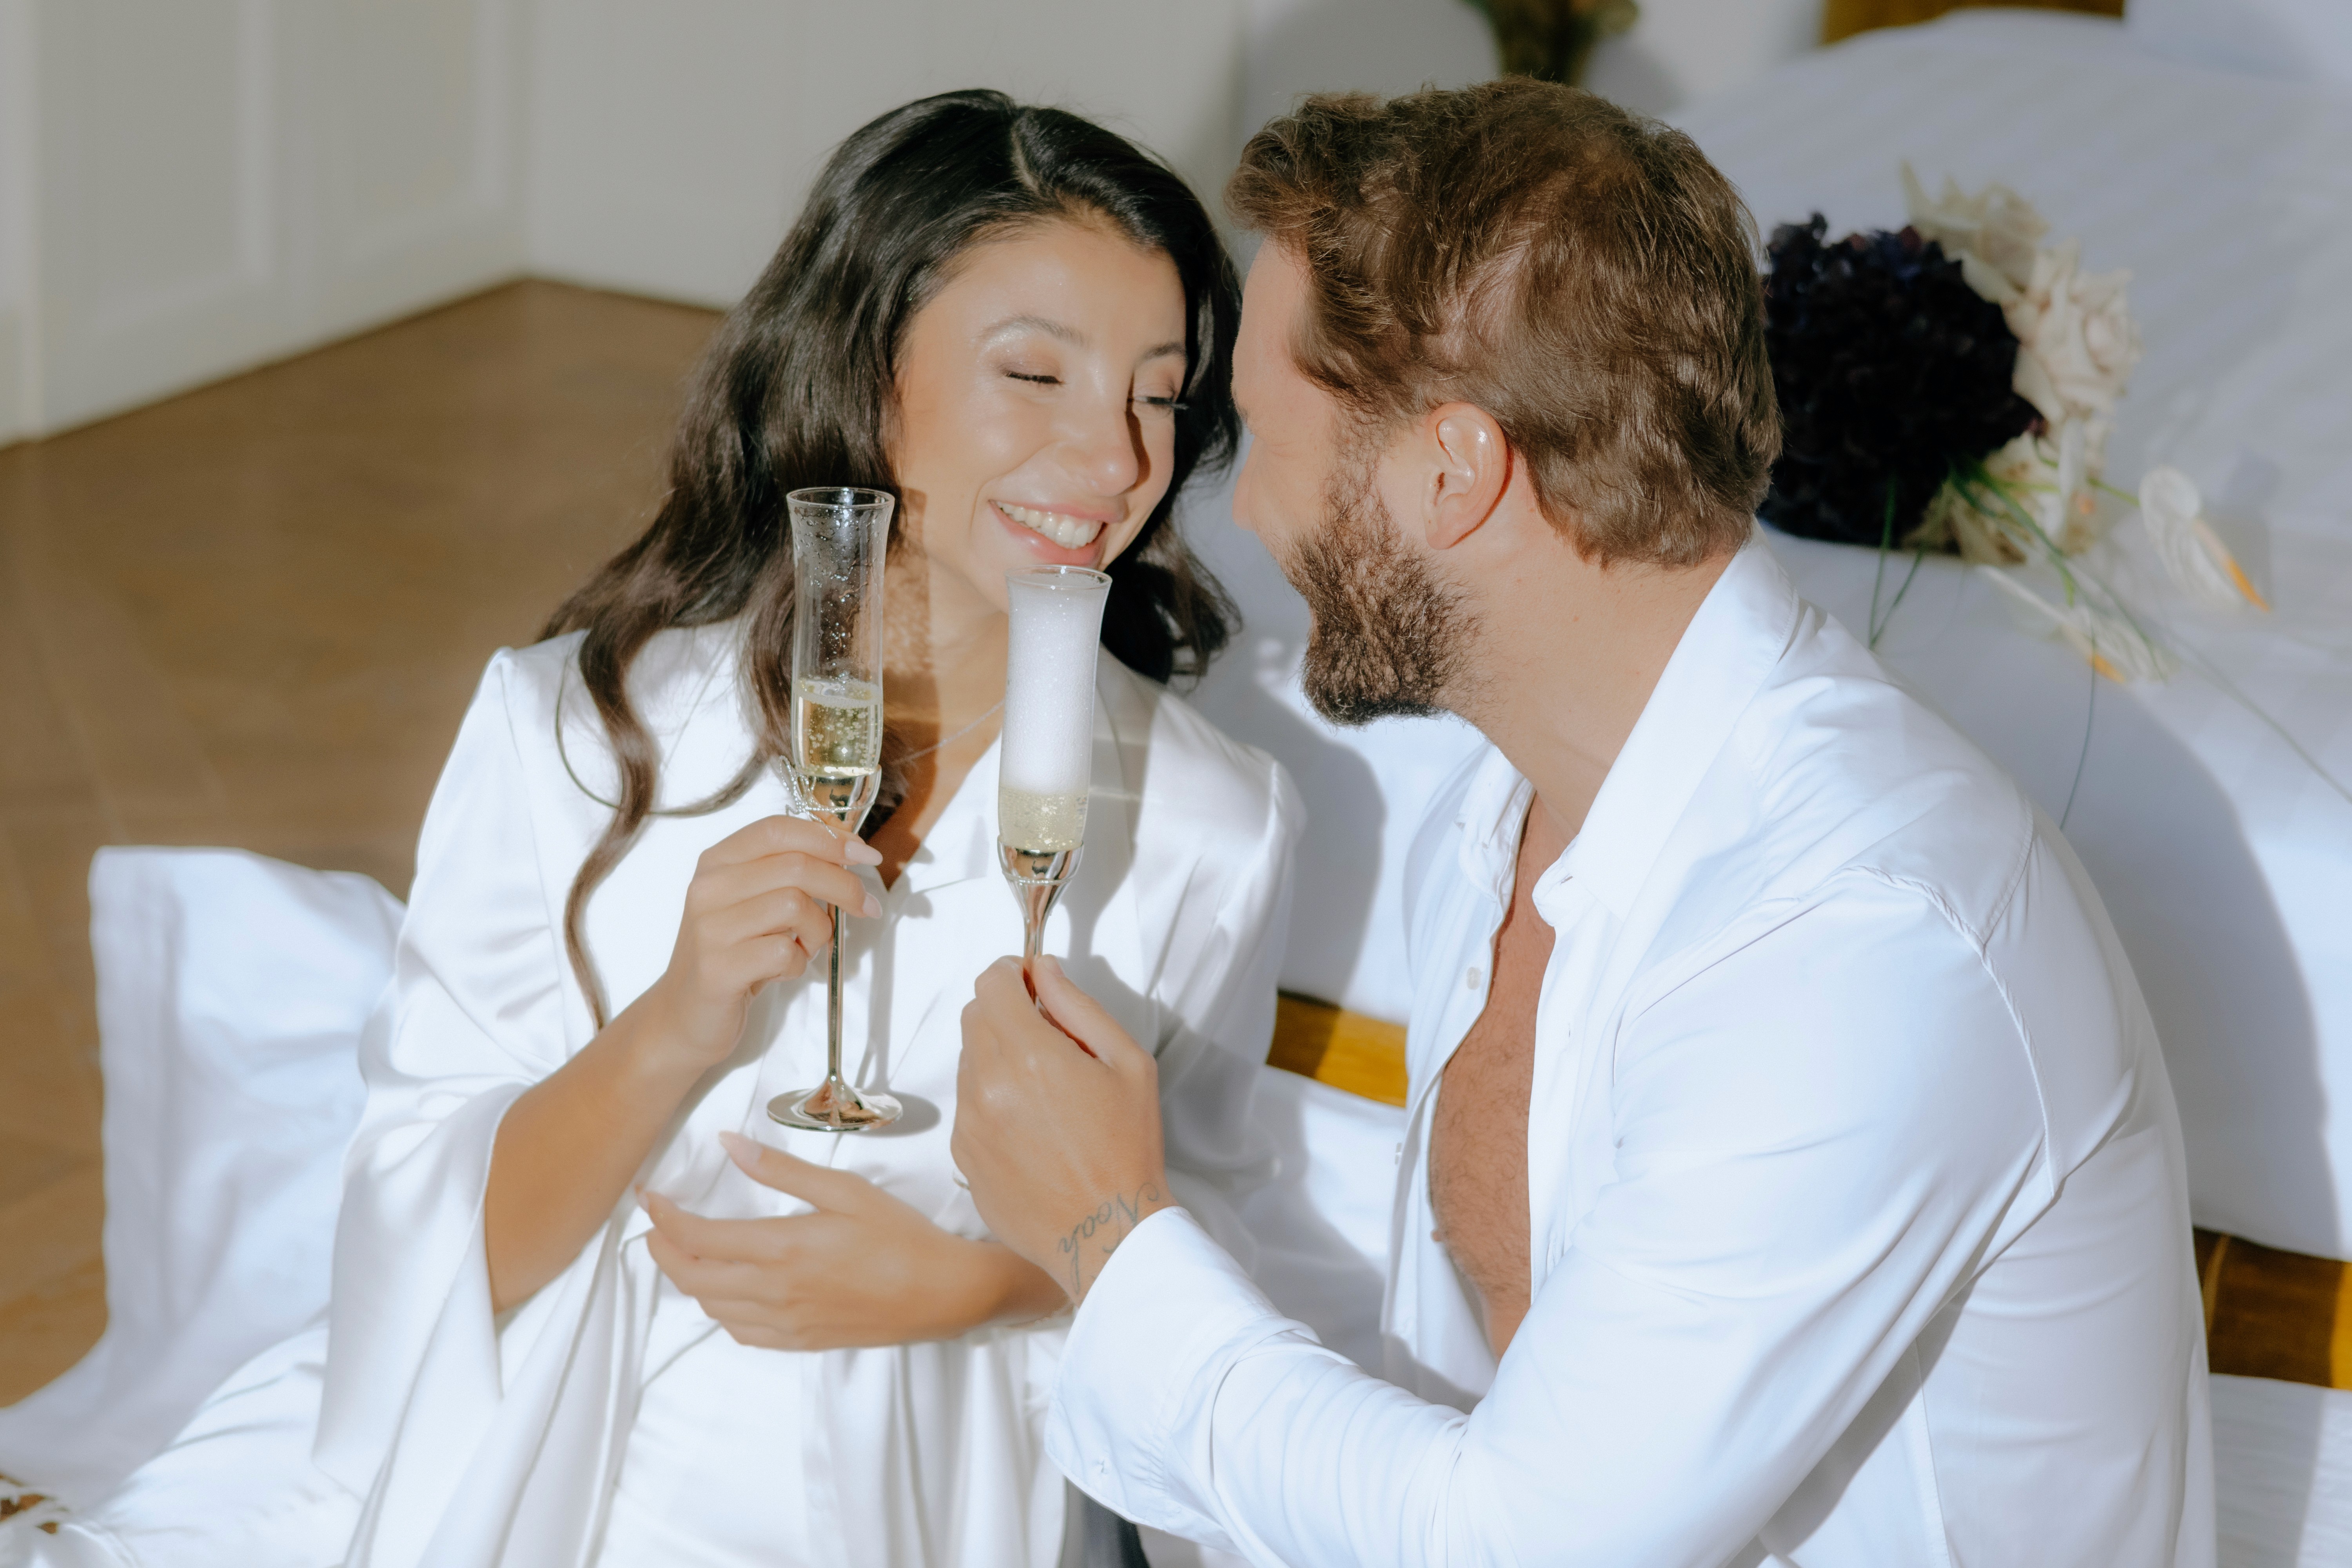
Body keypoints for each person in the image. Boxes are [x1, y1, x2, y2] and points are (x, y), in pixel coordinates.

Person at [954, 80, 2214, 1567]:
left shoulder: (1865, 937)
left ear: (1456, 469)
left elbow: (1522, 1542)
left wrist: (1107, 1237)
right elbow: (1464, 1393)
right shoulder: (1504, 815)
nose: (1245, 516)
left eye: (1266, 431)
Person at [30, 89, 1296, 1568]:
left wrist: (976, 1289)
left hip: (934, 1500)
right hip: (546, 1465)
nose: (1113, 460)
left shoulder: (1210, 823)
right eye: (1037, 373)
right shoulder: (574, 731)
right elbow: (438, 1249)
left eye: (1157, 392)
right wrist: (680, 1021)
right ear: (865, 368)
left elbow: (1207, 1231)